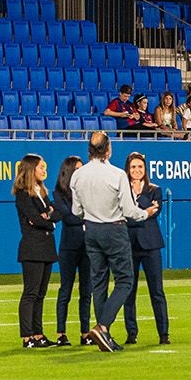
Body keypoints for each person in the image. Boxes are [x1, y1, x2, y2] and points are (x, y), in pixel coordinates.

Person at [69, 130, 156, 352]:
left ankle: (103, 335)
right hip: (114, 229)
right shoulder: (117, 174)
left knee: (98, 282)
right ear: (108, 150)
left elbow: (76, 210)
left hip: (91, 229)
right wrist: (145, 213)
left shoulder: (78, 175)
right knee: (125, 280)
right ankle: (103, 327)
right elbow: (129, 210)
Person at [120, 152, 170, 345]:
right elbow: (125, 214)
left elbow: (154, 212)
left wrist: (137, 204)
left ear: (145, 169)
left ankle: (163, 334)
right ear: (128, 169)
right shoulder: (122, 189)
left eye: (140, 167)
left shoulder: (154, 189)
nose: (136, 170)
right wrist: (143, 210)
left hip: (151, 245)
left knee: (157, 290)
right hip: (129, 245)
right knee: (128, 291)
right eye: (133, 167)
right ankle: (131, 333)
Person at [13, 153, 58, 348]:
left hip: (46, 247)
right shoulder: (23, 194)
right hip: (32, 248)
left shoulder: (43, 192)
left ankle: (38, 334)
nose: (44, 170)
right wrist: (47, 220)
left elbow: (56, 213)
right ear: (32, 170)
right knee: (30, 293)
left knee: (41, 294)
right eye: (40, 167)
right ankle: (27, 336)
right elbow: (35, 218)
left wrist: (46, 217)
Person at [52, 156, 91, 345]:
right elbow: (68, 217)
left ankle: (85, 333)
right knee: (65, 290)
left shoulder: (88, 190)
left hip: (88, 246)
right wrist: (85, 219)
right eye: (77, 169)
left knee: (87, 291)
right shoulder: (59, 192)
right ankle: (61, 333)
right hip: (69, 247)